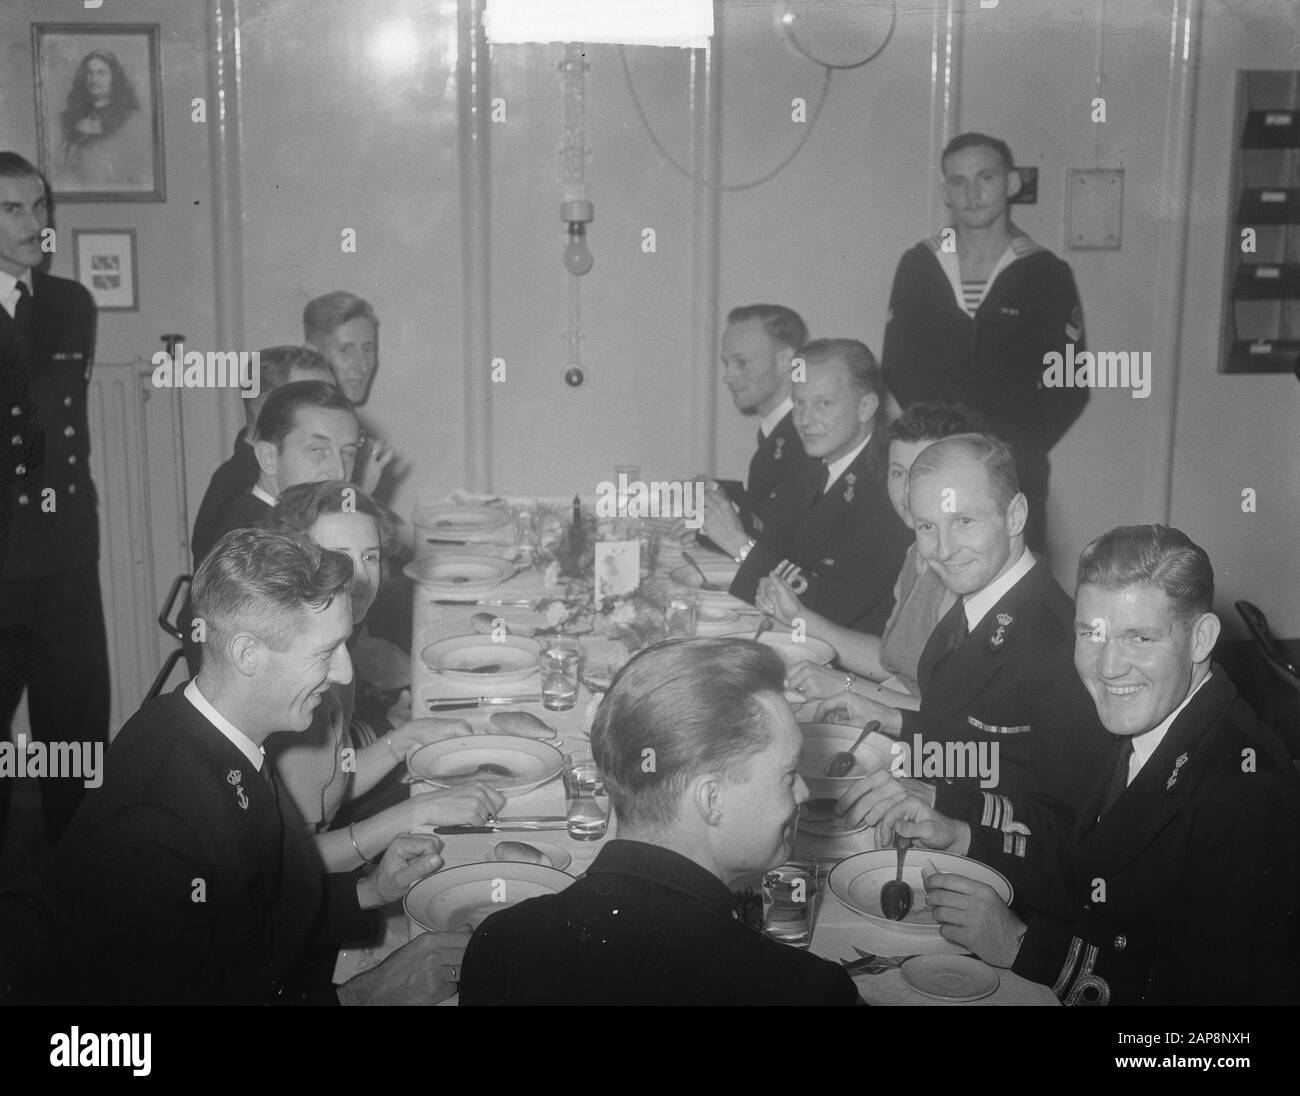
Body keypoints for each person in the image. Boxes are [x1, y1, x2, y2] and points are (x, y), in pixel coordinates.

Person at [878, 525, 1300, 1005]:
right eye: (1091, 634)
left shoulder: (1247, 790)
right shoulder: (1153, 721)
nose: (1107, 667)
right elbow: (1096, 875)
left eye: (1139, 638)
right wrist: (965, 835)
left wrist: (1022, 945)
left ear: (1201, 638)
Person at [53, 528, 468, 1004]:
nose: (345, 673)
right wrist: (365, 996)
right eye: (325, 652)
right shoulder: (150, 830)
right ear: (248, 654)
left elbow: (256, 908)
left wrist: (369, 892)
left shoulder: (228, 729)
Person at [460, 638, 861, 1005]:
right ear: (712, 801)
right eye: (789, 776)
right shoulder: (806, 991)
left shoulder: (501, 943)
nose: (804, 794)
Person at [816, 434, 1109, 915]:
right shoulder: (976, 608)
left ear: (1015, 515)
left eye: (964, 522)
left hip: (1009, 896)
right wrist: (891, 719)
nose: (943, 549)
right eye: (927, 526)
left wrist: (942, 796)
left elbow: (1072, 831)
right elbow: (978, 735)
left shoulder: (1058, 648)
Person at [263, 480, 506, 871]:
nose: (361, 578)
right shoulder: (297, 676)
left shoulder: (330, 641)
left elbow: (329, 786)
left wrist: (402, 739)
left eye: (370, 557)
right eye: (338, 557)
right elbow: (295, 863)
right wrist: (412, 812)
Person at [881, 132, 1087, 553]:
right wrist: (936, 441)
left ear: (1010, 184)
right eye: (958, 182)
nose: (972, 193)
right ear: (946, 192)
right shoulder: (920, 264)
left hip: (1013, 469)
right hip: (934, 463)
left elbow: (1070, 382)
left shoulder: (1044, 272)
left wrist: (1015, 447)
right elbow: (897, 367)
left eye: (985, 177)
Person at [0, 153, 108, 851]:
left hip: (65, 555)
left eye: (41, 208)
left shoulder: (72, 304)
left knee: (77, 730)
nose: (34, 224)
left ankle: (84, 887)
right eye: (12, 210)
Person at [756, 401, 988, 712]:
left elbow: (951, 712)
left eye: (922, 471)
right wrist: (797, 617)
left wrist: (845, 685)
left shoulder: (968, 570)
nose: (907, 491)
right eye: (897, 472)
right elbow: (894, 663)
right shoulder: (916, 554)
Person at [707, 338, 910, 634]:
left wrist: (740, 547)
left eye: (823, 404)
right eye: (799, 404)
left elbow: (833, 606)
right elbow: (772, 533)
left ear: (865, 407)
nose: (804, 420)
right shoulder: (813, 463)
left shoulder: (887, 490)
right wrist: (710, 513)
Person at [182, 379, 361, 671]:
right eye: (318, 450)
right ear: (268, 457)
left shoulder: (301, 518)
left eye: (348, 452)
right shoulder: (252, 540)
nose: (339, 470)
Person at [189, 345, 336, 567]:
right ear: (269, 406)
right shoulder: (239, 487)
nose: (332, 411)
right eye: (314, 400)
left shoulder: (249, 472)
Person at [715, 304, 811, 536]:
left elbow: (775, 536)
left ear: (785, 361)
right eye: (727, 363)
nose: (728, 376)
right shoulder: (777, 428)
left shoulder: (805, 434)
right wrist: (714, 492)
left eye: (741, 362)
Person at [303, 291, 398, 496]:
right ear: (312, 354)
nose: (362, 366)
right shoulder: (300, 437)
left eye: (367, 349)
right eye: (345, 350)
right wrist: (363, 491)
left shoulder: (349, 426)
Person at [57, 50, 149, 188]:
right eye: (89, 73)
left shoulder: (131, 120)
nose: (94, 80)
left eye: (101, 73)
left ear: (114, 78)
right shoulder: (70, 119)